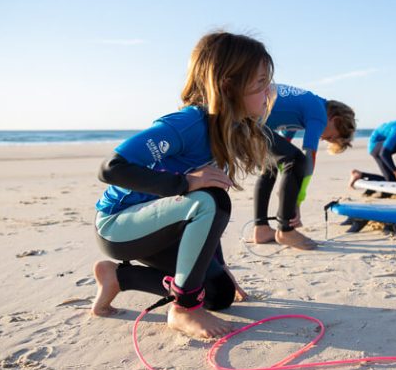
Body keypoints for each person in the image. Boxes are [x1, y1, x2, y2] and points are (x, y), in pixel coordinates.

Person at [91, 31, 275, 339]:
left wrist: (218, 264)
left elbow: (203, 219)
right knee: (212, 196)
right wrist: (183, 182)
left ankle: (119, 277)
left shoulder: (224, 130)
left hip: (166, 228)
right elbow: (111, 168)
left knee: (219, 293)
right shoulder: (187, 124)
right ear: (228, 86)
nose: (268, 91)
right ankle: (183, 310)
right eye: (259, 84)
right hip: (119, 225)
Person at [252, 84, 356, 250]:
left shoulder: (305, 108)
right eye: (329, 137)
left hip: (245, 117)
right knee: (297, 160)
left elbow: (283, 147)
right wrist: (296, 202)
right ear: (335, 119)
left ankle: (261, 229)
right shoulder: (319, 114)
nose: (323, 139)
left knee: (270, 166)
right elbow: (308, 160)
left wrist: (289, 190)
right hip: (247, 119)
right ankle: (285, 229)